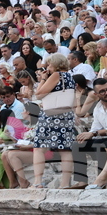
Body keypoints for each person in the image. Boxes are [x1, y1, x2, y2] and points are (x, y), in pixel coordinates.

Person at [31, 53, 77, 188]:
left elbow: (39, 94)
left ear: (56, 64)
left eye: (50, 64)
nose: (48, 67)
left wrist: (43, 79)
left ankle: (38, 182)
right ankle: (65, 184)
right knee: (65, 150)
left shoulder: (56, 75)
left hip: (51, 115)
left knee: (39, 148)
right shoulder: (70, 77)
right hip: (66, 115)